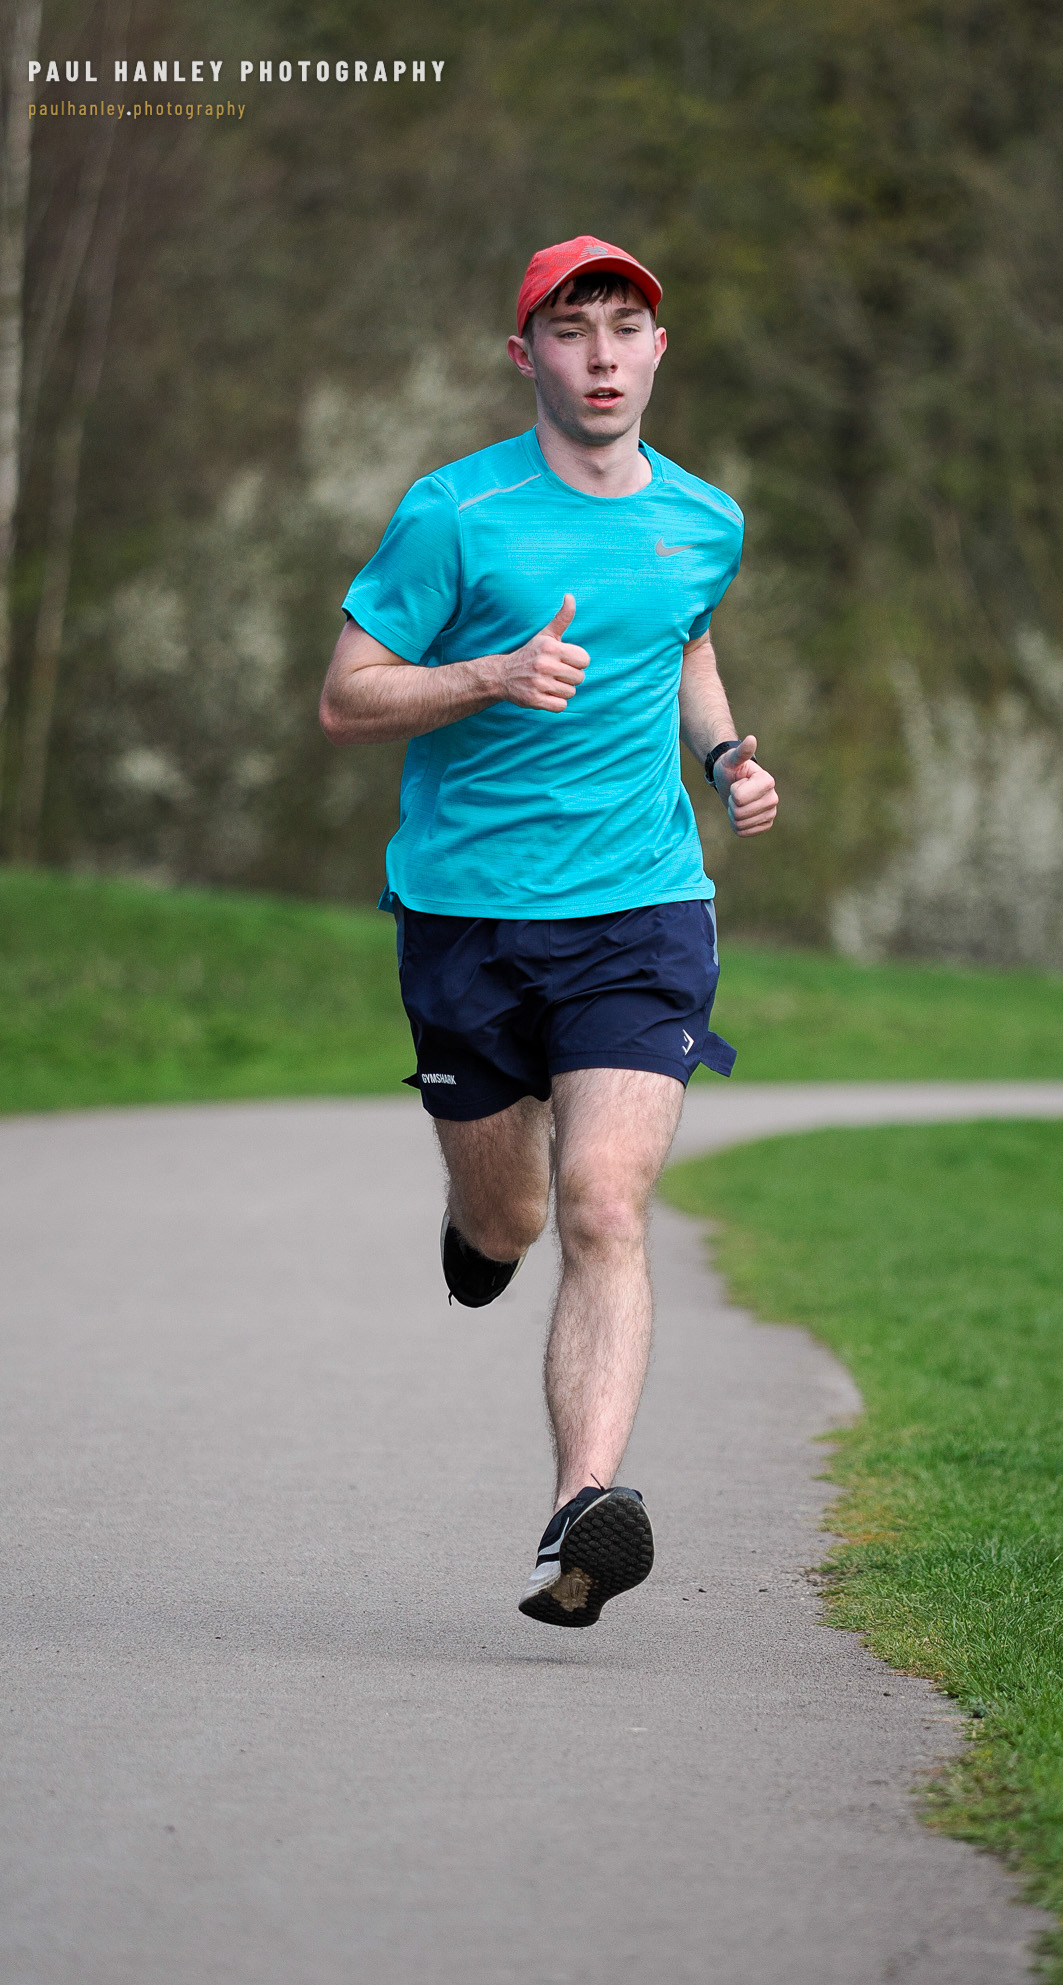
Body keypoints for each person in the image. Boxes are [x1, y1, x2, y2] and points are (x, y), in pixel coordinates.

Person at [319, 235, 778, 1628]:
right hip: (468, 917)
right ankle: (480, 1225)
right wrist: (492, 676)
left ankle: (585, 1510)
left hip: (643, 909)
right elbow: (348, 696)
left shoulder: (704, 517)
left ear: (658, 351)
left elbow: (684, 639)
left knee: (603, 1203)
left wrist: (725, 755)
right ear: (527, 357)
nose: (600, 356)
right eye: (572, 331)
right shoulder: (455, 515)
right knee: (513, 1215)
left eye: (624, 328)